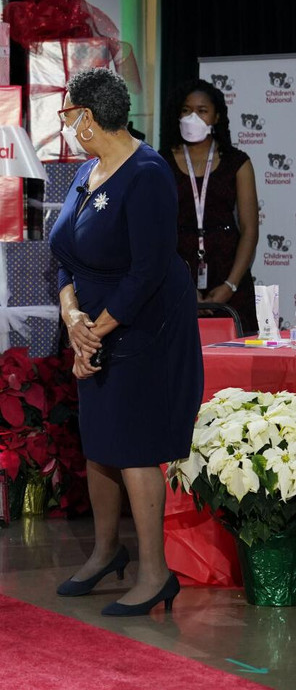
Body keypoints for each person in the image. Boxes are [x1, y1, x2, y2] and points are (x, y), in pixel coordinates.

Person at [49, 68, 204, 616]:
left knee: (135, 448)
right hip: (93, 327)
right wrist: (73, 318)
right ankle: (105, 553)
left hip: (145, 327)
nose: (64, 123)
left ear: (87, 118)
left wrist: (95, 330)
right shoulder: (89, 170)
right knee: (101, 444)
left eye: (66, 114)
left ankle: (155, 573)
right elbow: (64, 254)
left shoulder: (148, 174)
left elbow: (148, 271)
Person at [159, 78, 260, 334]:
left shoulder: (237, 162)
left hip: (229, 270)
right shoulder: (161, 162)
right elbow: (156, 231)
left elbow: (249, 229)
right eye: (186, 110)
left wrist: (231, 285)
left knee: (236, 357)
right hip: (177, 269)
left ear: (216, 117)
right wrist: (180, 283)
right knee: (178, 357)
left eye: (202, 110)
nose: (193, 117)